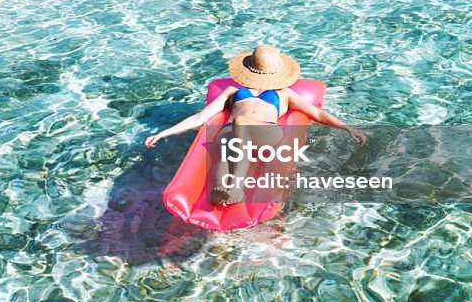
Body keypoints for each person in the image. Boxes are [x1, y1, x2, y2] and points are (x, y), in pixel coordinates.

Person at [144, 44, 366, 205]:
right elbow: (200, 118)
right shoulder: (232, 91)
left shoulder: (285, 93)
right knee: (226, 148)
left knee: (240, 123)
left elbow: (317, 113)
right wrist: (164, 133)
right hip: (232, 134)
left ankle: (236, 184)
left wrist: (347, 128)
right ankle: (221, 189)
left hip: (266, 134)